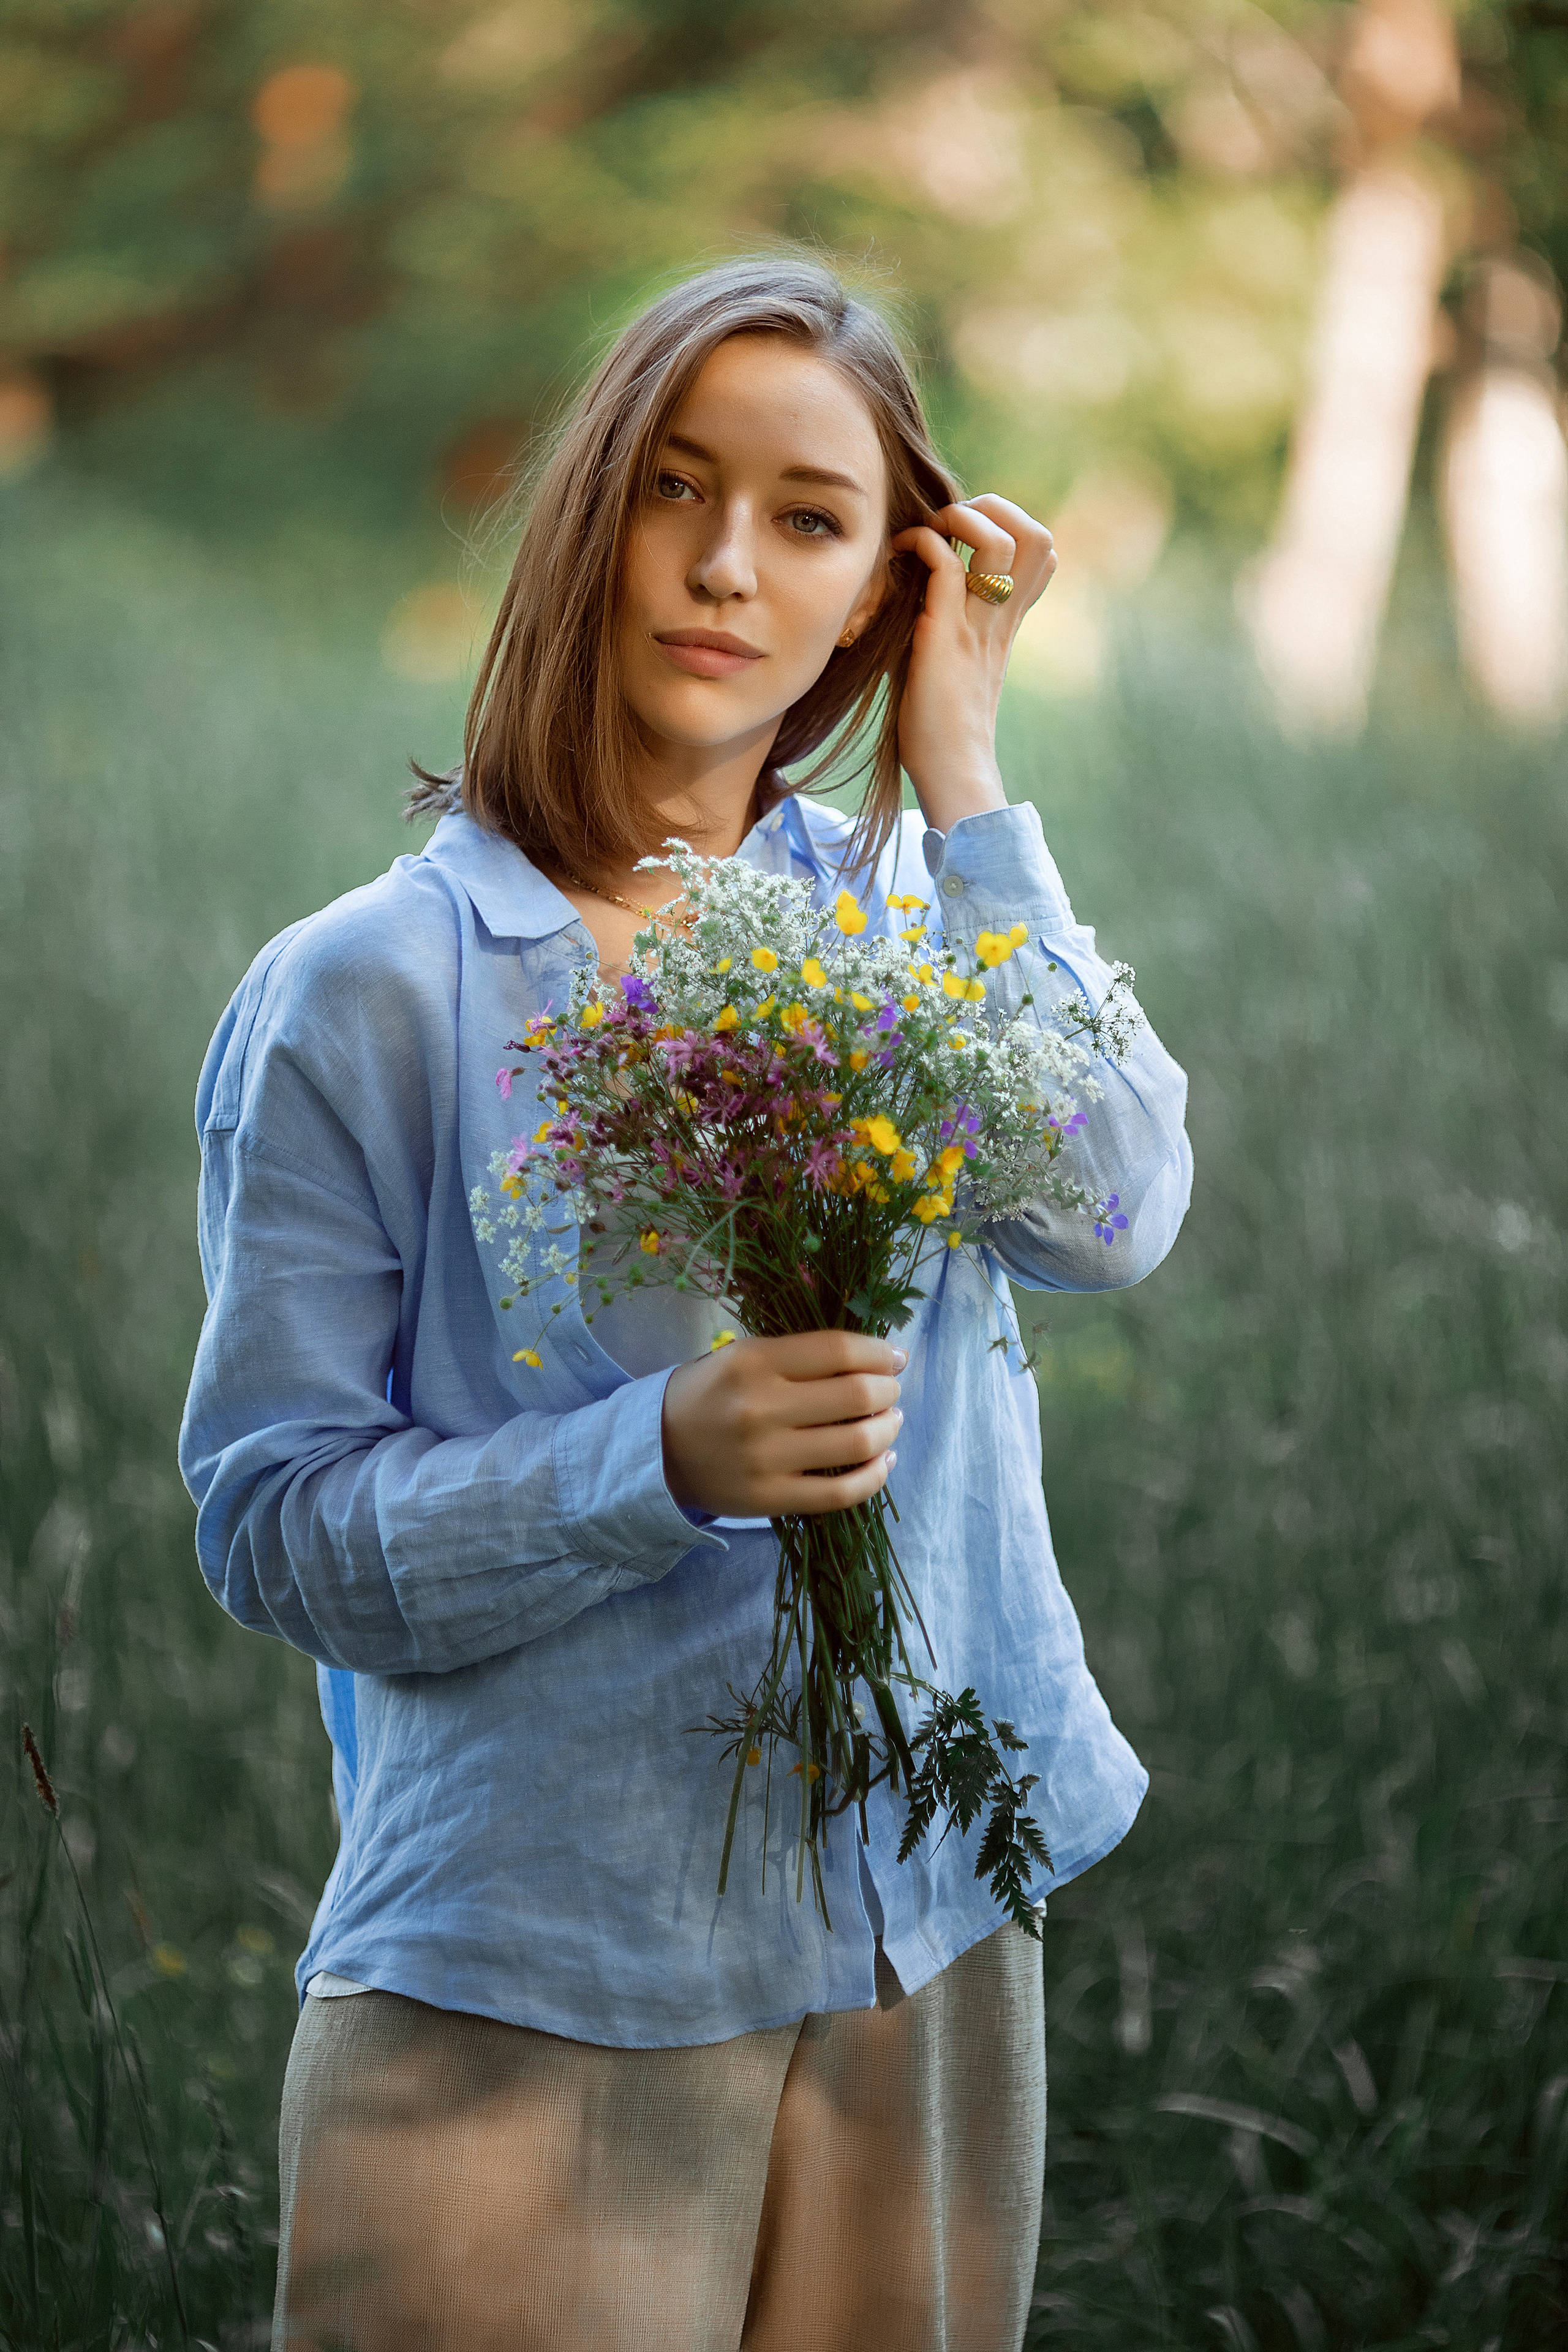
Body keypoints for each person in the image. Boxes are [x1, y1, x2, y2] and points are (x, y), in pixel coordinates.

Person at [179, 254, 1193, 2352]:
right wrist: (650, 1461)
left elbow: (1110, 1214)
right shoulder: (371, 988)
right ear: (584, 524)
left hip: (925, 1928)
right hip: (543, 1973)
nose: (727, 565)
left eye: (812, 521)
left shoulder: (915, 924)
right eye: (671, 488)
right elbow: (272, 1518)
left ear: (883, 592)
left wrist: (969, 768)